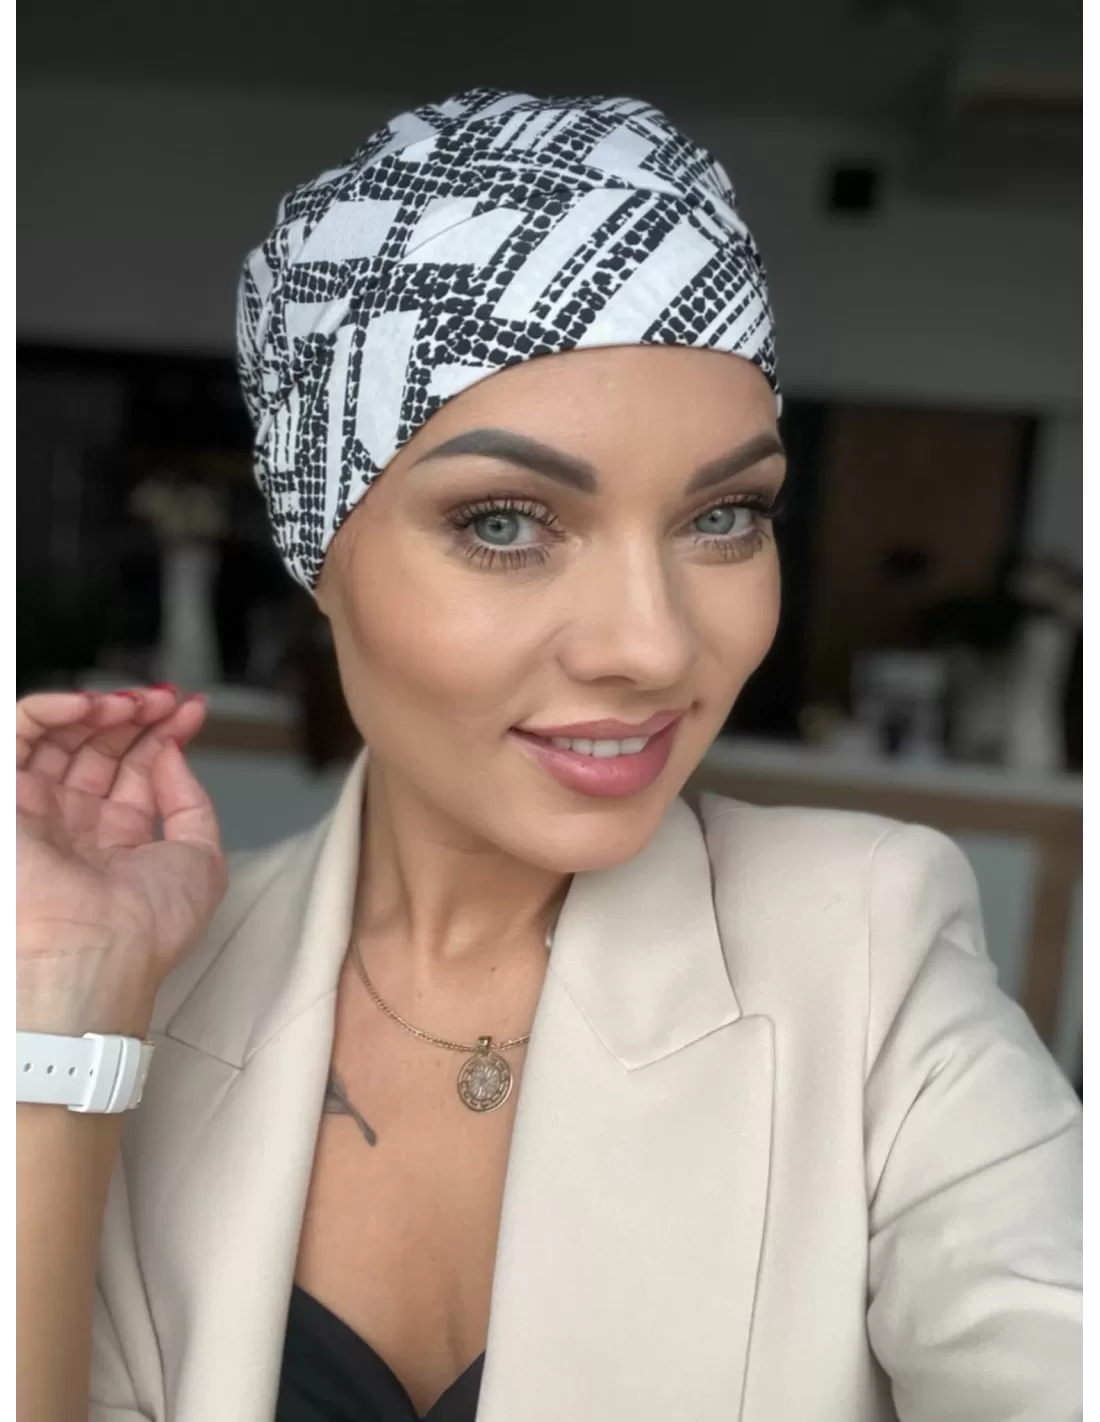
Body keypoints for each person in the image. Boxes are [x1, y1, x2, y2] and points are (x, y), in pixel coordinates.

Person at [16, 89, 1081, 1422]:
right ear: (318, 548)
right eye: (507, 522)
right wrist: (56, 1024)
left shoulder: (870, 948)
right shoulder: (151, 993)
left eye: (725, 516)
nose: (652, 645)